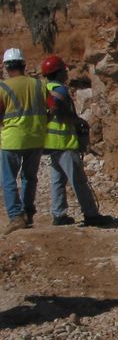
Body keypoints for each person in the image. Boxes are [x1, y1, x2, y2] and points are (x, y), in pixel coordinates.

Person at [40, 55, 112, 227]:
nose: (67, 73)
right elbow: (63, 115)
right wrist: (80, 122)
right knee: (78, 180)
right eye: (64, 70)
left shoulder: (44, 89)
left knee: (57, 180)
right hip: (64, 141)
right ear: (58, 73)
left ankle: (59, 214)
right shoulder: (61, 90)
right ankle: (91, 215)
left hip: (50, 142)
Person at [0, 48, 47, 234]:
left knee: (8, 179)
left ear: (6, 66)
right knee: (30, 177)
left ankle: (15, 217)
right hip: (36, 138)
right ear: (23, 65)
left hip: (12, 139)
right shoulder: (38, 84)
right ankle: (28, 212)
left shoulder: (3, 87)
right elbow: (52, 107)